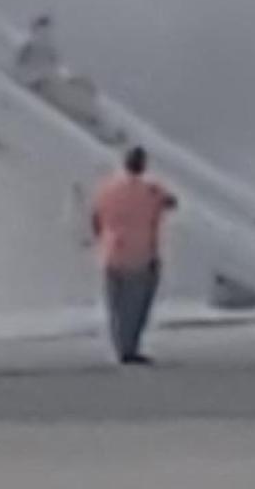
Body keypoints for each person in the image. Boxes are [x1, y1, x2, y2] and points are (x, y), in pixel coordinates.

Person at [91, 147, 177, 365]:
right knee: (136, 306)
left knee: (116, 306)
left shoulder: (107, 188)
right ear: (143, 164)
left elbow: (96, 218)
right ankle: (129, 348)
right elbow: (171, 203)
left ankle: (120, 347)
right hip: (141, 255)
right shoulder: (151, 189)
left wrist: (102, 240)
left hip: (112, 253)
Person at [16, 16, 123, 145]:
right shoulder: (33, 48)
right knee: (80, 100)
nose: (47, 34)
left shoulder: (44, 48)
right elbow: (26, 71)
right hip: (45, 85)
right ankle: (105, 129)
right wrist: (37, 82)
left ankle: (105, 127)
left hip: (51, 83)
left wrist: (71, 80)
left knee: (84, 91)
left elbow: (52, 68)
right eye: (44, 29)